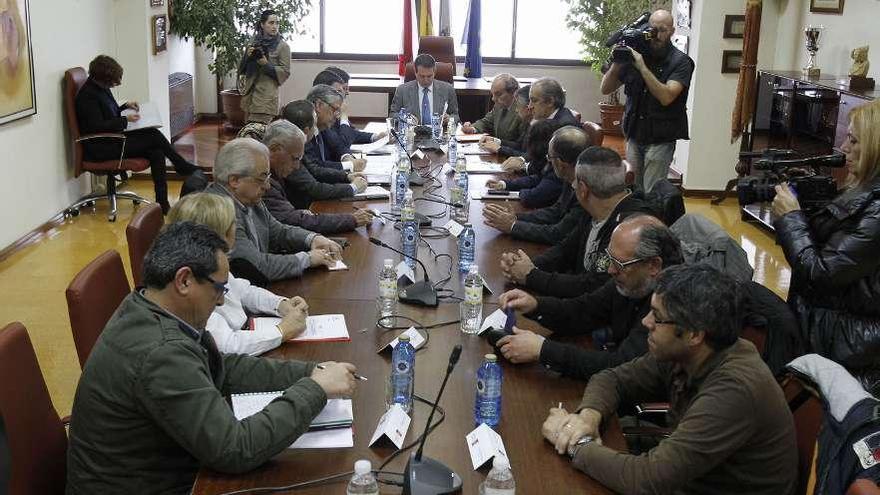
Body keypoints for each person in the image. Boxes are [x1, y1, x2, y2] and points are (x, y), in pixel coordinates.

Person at [65, 222, 359, 494]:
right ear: (184, 281)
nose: (221, 300)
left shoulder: (150, 305)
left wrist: (310, 373)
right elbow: (236, 449)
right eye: (219, 289)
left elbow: (222, 368)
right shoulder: (161, 353)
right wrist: (315, 389)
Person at [541, 264, 797, 495]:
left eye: (657, 316)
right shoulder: (686, 351)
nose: (645, 321)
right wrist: (588, 417)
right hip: (689, 475)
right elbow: (612, 379)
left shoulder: (735, 390)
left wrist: (575, 443)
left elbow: (647, 479)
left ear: (694, 334)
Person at [772, 99, 880, 395]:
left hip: (849, 339)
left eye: (854, 140)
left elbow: (821, 273)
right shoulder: (860, 190)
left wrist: (792, 219)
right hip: (828, 319)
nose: (844, 147)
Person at [497, 216, 682, 379]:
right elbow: (583, 310)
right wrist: (535, 306)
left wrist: (543, 350)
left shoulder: (671, 305)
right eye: (609, 258)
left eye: (619, 263)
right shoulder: (631, 279)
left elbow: (622, 365)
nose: (610, 270)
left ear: (653, 266)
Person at [501, 146, 654, 297]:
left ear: (582, 189)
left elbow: (593, 286)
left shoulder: (629, 228)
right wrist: (527, 265)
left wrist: (532, 276)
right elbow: (566, 249)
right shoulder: (597, 207)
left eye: (574, 184)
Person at [167, 193, 309, 355]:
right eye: (233, 223)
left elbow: (243, 290)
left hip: (248, 335)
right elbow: (228, 346)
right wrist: (282, 330)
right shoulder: (193, 282)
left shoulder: (215, 261)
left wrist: (280, 304)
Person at [203, 138, 341, 284]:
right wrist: (308, 259)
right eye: (262, 178)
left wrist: (312, 238)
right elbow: (258, 266)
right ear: (235, 180)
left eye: (268, 177)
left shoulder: (250, 199)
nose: (268, 186)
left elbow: (279, 232)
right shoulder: (219, 213)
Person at [75, 55, 200, 213]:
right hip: (101, 147)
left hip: (113, 139)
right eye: (114, 81)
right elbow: (96, 126)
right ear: (103, 78)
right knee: (153, 135)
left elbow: (107, 113)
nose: (117, 84)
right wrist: (125, 120)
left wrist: (124, 106)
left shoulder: (100, 87)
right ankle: (180, 165)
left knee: (156, 152)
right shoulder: (87, 97)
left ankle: (162, 203)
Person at [601, 9, 694, 194]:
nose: (656, 34)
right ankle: (636, 222)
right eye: (653, 29)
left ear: (672, 31)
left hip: (661, 138)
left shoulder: (681, 62)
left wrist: (642, 67)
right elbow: (606, 89)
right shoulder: (635, 54)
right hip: (634, 134)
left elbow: (666, 97)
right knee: (634, 189)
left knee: (653, 192)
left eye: (663, 30)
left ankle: (654, 223)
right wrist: (617, 63)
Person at [260, 119, 373, 233]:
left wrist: (297, 213)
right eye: (294, 159)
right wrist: (351, 219)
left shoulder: (275, 168)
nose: (296, 166)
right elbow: (294, 221)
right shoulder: (262, 181)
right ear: (274, 149)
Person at [483, 125, 589, 245]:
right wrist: (516, 218)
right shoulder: (571, 174)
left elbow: (558, 234)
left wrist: (513, 226)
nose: (548, 162)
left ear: (560, 164)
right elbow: (556, 211)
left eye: (549, 157)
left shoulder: (585, 191)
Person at [281, 100, 367, 208]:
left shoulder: (295, 143)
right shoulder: (289, 153)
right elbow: (314, 187)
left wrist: (346, 176)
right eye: (315, 124)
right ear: (307, 130)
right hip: (301, 209)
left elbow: (316, 171)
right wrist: (353, 188)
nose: (316, 129)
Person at [491, 78, 580, 174]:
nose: (529, 106)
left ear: (550, 102)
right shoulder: (547, 119)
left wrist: (522, 162)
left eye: (534, 100)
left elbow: (543, 162)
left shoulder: (563, 126)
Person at [486, 119, 565, 209]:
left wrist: (517, 193)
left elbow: (533, 197)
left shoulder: (557, 167)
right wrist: (505, 184)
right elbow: (537, 179)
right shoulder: (550, 162)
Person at [238, 10, 291, 124]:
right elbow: (242, 69)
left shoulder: (283, 46)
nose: (275, 26)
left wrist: (265, 64)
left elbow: (285, 72)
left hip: (266, 97)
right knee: (248, 132)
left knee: (257, 133)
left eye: (277, 23)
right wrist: (248, 56)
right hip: (250, 95)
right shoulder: (254, 42)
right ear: (262, 24)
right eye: (271, 23)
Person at [304, 84, 366, 173]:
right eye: (335, 109)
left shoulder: (323, 127)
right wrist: (350, 165)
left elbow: (338, 146)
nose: (337, 116)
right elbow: (315, 167)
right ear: (318, 105)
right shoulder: (304, 129)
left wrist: (347, 157)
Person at [389, 53, 459, 125]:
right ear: (415, 72)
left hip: (438, 134)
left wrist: (449, 119)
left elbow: (456, 116)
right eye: (422, 76)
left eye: (429, 76)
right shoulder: (402, 90)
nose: (426, 80)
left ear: (434, 72)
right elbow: (392, 115)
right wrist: (405, 118)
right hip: (413, 134)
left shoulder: (448, 89)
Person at [461, 73, 525, 143]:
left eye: (498, 94)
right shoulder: (499, 106)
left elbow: (520, 146)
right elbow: (486, 122)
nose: (493, 99)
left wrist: (496, 143)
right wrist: (472, 128)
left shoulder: (522, 112)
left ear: (514, 93)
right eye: (493, 94)